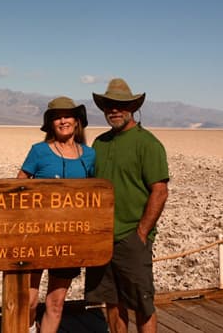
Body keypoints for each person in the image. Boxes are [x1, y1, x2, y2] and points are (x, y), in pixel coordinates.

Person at [84, 78, 169, 333]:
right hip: (102, 238)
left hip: (131, 238)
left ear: (132, 107)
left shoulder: (147, 144)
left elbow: (160, 191)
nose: (114, 110)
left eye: (121, 105)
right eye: (109, 105)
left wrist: (141, 233)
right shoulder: (100, 143)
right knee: (111, 301)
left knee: (142, 304)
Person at [18, 97, 96, 333]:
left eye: (67, 116)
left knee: (56, 303)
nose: (63, 121)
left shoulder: (89, 155)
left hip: (69, 239)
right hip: (35, 237)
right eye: (57, 117)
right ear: (51, 124)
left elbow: (95, 195)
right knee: (29, 301)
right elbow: (18, 187)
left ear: (77, 121)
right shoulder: (39, 151)